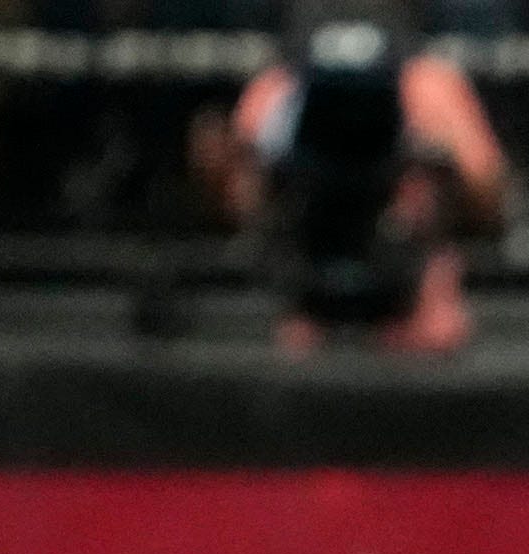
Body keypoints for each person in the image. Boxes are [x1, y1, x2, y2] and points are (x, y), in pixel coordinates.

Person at [209, 0, 507, 356]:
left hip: (418, 316)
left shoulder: (430, 85)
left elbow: (488, 194)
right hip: (309, 313)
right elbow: (243, 201)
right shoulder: (280, 88)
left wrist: (429, 163)